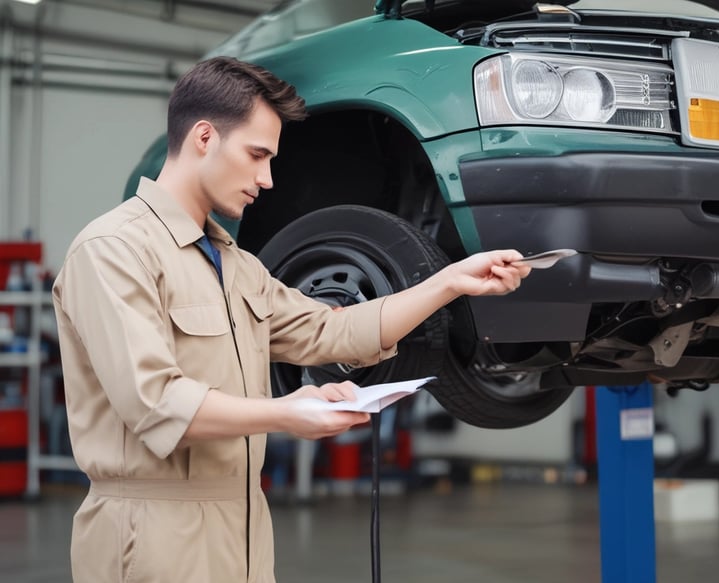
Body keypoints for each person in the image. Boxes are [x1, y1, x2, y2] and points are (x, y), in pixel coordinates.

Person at [52, 56, 532, 583]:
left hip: (244, 525)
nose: (267, 178)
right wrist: (285, 413)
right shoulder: (113, 251)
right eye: (257, 155)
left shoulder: (236, 266)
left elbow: (332, 331)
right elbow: (156, 404)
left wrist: (449, 282)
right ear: (204, 137)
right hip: (149, 531)